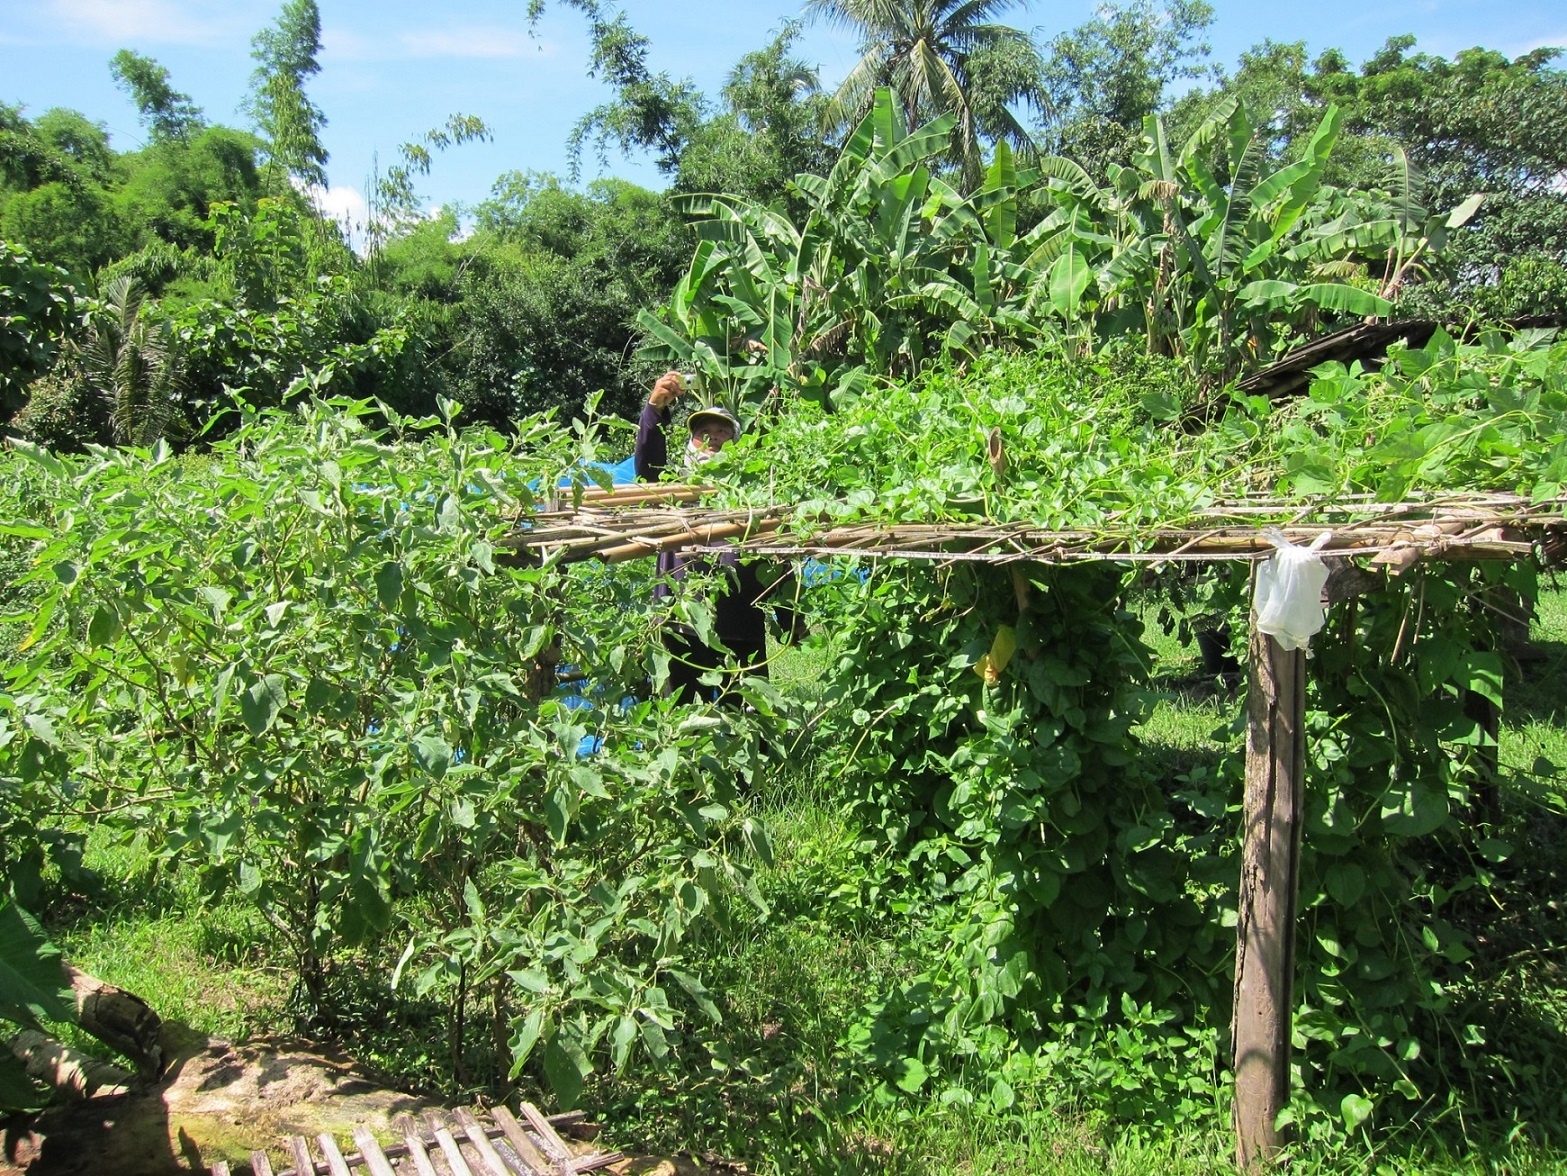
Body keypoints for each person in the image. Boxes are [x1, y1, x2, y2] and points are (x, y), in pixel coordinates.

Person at [634, 371, 797, 704]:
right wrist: (654, 409)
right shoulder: (675, 486)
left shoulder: (753, 494)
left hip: (739, 621)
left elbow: (778, 554)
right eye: (703, 433)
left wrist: (791, 619)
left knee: (745, 713)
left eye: (723, 432)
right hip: (682, 621)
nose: (713, 439)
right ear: (690, 444)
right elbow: (648, 471)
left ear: (738, 445)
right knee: (683, 712)